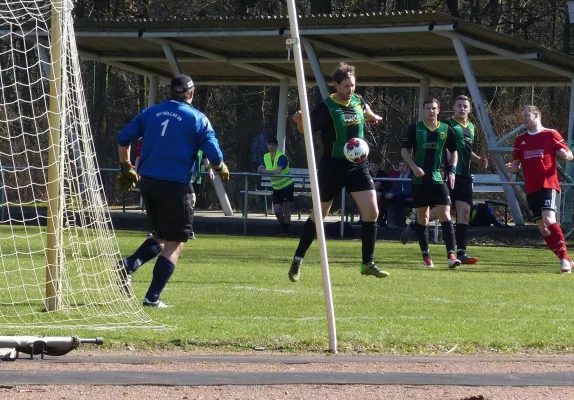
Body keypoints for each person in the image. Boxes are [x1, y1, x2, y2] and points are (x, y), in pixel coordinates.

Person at [116, 74, 229, 307]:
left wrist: (126, 166)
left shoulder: (150, 113)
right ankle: (152, 298)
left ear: (171, 92)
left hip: (148, 183)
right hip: (176, 186)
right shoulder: (198, 119)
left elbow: (123, 138)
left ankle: (128, 265)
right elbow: (215, 156)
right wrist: (220, 167)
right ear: (191, 93)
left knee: (160, 236)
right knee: (175, 243)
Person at [289, 62, 388, 282]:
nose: (350, 90)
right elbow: (306, 130)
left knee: (372, 212)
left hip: (358, 166)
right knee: (319, 215)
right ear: (336, 85)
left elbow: (364, 109)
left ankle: (367, 263)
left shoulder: (358, 100)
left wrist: (373, 116)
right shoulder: (326, 108)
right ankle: (298, 258)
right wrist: (299, 122)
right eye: (346, 86)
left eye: (352, 85)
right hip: (332, 167)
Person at [400, 95, 488, 264]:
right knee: (441, 211)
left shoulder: (471, 127)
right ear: (453, 108)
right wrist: (449, 169)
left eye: (465, 106)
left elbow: (463, 151)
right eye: (459, 106)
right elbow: (447, 150)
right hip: (445, 175)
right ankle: (416, 227)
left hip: (464, 175)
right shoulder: (447, 125)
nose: (462, 109)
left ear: (470, 109)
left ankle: (459, 252)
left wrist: (478, 160)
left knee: (463, 212)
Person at [506, 105, 574, 273]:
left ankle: (564, 260)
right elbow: (516, 164)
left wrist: (567, 156)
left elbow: (567, 152)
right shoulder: (520, 140)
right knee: (543, 228)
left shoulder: (550, 134)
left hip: (548, 184)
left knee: (549, 219)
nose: (524, 119)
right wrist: (512, 167)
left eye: (526, 116)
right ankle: (565, 258)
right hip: (531, 187)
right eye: (522, 117)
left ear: (536, 115)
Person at [400, 98, 460, 268]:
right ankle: (426, 255)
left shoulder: (445, 129)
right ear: (423, 111)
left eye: (434, 108)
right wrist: (413, 167)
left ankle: (451, 255)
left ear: (438, 110)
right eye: (427, 108)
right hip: (419, 180)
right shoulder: (415, 129)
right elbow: (405, 151)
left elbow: (454, 151)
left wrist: (452, 170)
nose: (431, 111)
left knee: (446, 215)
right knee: (423, 217)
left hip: (438, 178)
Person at [257, 137, 295, 235]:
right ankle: (284, 227)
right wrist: (260, 168)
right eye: (270, 144)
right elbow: (261, 166)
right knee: (277, 210)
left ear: (277, 146)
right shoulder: (265, 156)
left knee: (286, 209)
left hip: (287, 186)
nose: (271, 146)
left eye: (274, 144)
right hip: (276, 188)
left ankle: (286, 230)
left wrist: (264, 171)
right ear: (267, 146)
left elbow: (278, 171)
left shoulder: (282, 157)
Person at [189, 150, 215, 239]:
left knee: (191, 202)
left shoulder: (200, 145)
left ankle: (188, 230)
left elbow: (205, 158)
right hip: (184, 177)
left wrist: (210, 170)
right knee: (191, 199)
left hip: (195, 177)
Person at [384, 160, 412, 228]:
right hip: (398, 195)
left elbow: (409, 190)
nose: (401, 167)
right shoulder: (398, 175)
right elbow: (394, 187)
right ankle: (385, 220)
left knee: (399, 198)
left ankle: (400, 221)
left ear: (408, 167)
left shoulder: (411, 176)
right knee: (384, 197)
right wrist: (389, 193)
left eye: (404, 166)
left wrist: (394, 194)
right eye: (400, 166)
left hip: (409, 195)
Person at [368, 159, 391, 226]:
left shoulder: (382, 174)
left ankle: (379, 218)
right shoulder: (367, 173)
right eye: (371, 165)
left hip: (384, 195)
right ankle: (363, 219)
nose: (373, 167)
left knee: (378, 195)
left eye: (375, 165)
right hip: (369, 194)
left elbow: (375, 187)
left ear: (379, 166)